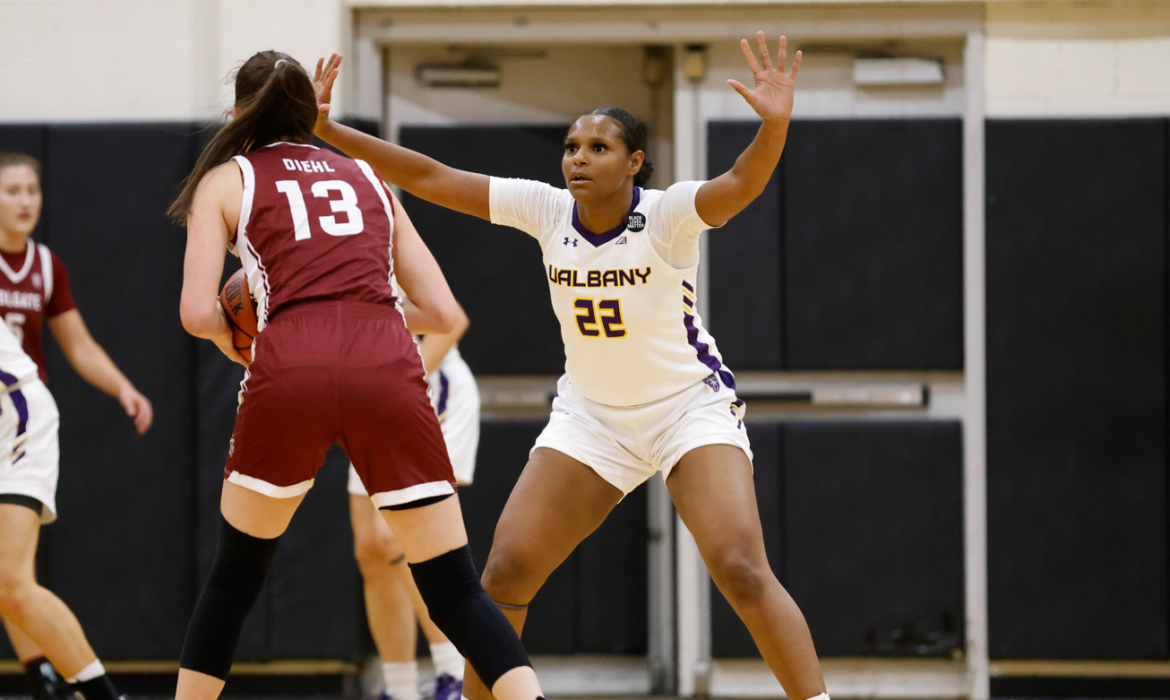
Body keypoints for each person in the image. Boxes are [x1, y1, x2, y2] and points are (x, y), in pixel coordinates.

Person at [313, 32, 830, 700]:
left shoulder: (667, 215)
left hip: (687, 409)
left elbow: (740, 184)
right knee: (504, 574)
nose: (578, 159)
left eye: (598, 148)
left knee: (741, 569)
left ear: (634, 161)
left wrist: (774, 127)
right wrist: (331, 131)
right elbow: (431, 176)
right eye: (571, 147)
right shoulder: (547, 209)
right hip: (591, 419)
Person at [170, 51, 545, 700]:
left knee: (233, 582)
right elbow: (443, 311)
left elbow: (198, 312)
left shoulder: (226, 179)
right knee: (454, 587)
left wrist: (241, 346)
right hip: (384, 359)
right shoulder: (368, 178)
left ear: (238, 114)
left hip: (289, 364)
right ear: (312, 114)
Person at [0, 153, 154, 700]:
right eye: (12, 190)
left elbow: (80, 344)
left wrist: (123, 387)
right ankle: (48, 678)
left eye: (30, 191)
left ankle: (91, 690)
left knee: (12, 579)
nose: (24, 201)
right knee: (9, 581)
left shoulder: (45, 265)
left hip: (17, 423)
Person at [348, 294, 479, 700]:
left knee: (396, 538)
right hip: (370, 403)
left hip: (427, 392)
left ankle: (454, 674)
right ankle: (401, 690)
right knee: (371, 549)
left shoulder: (382, 239)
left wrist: (396, 381)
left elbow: (453, 320)